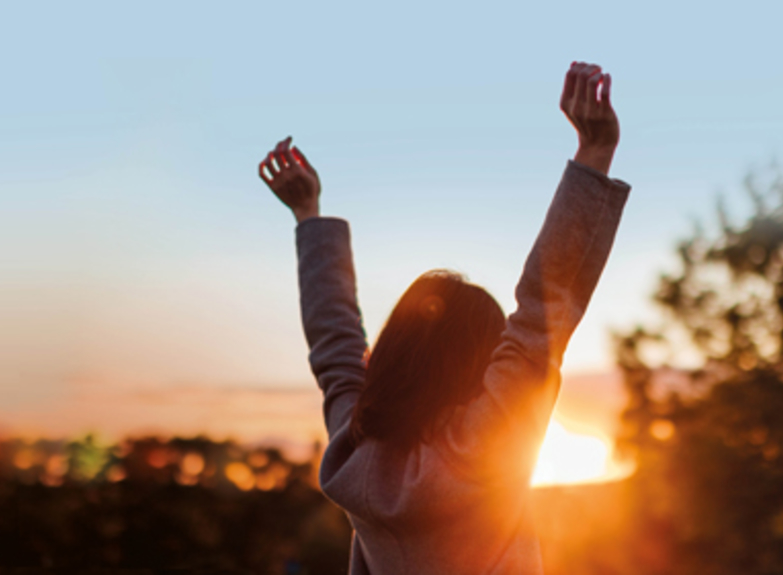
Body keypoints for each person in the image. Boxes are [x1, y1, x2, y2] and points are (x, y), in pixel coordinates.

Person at [258, 62, 629, 574]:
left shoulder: (353, 450)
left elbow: (337, 349)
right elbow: (542, 314)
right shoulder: (483, 443)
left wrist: (309, 216)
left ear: (389, 357)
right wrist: (594, 153)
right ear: (478, 364)